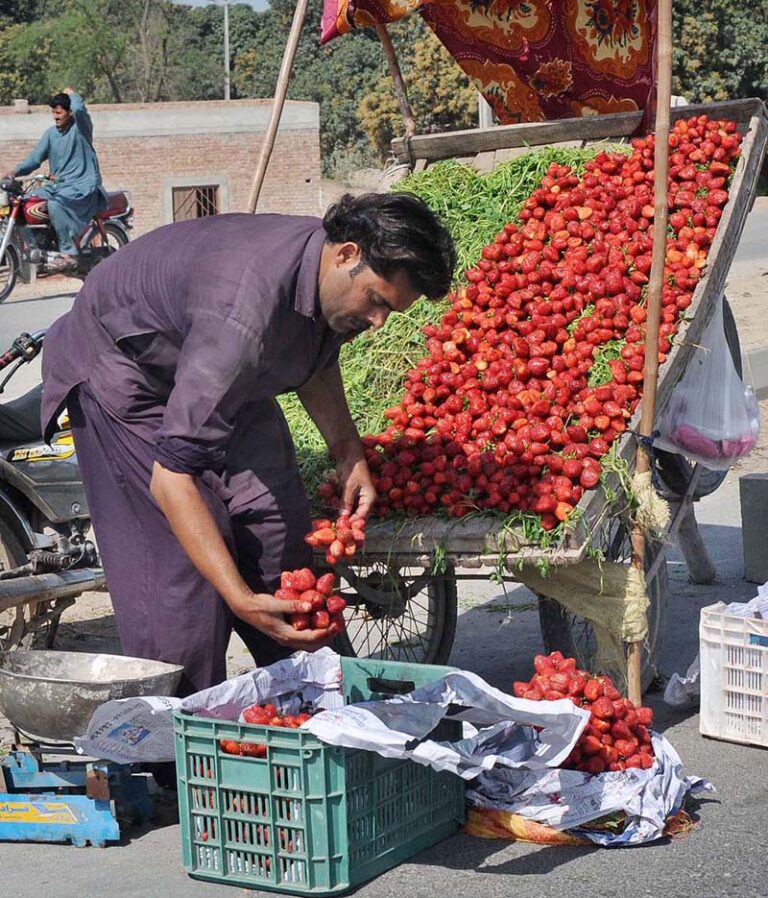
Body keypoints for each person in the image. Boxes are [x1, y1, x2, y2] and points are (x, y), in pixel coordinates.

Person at [40, 193, 456, 696]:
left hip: (208, 362)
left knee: (277, 518)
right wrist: (238, 598)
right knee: (182, 573)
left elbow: (315, 359)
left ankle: (300, 699)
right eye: (378, 303)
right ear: (347, 255)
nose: (378, 324)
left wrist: (348, 453)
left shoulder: (324, 280)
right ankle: (176, 747)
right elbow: (171, 479)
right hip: (124, 371)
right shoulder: (242, 317)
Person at [9, 88, 104, 271]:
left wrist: (73, 94)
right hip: (58, 186)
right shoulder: (51, 134)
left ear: (69, 112)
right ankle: (40, 246)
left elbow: (81, 111)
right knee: (27, 202)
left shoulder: (81, 129)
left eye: (59, 112)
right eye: (53, 112)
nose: (55, 116)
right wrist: (14, 172)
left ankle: (68, 252)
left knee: (55, 204)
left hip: (81, 186)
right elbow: (34, 159)